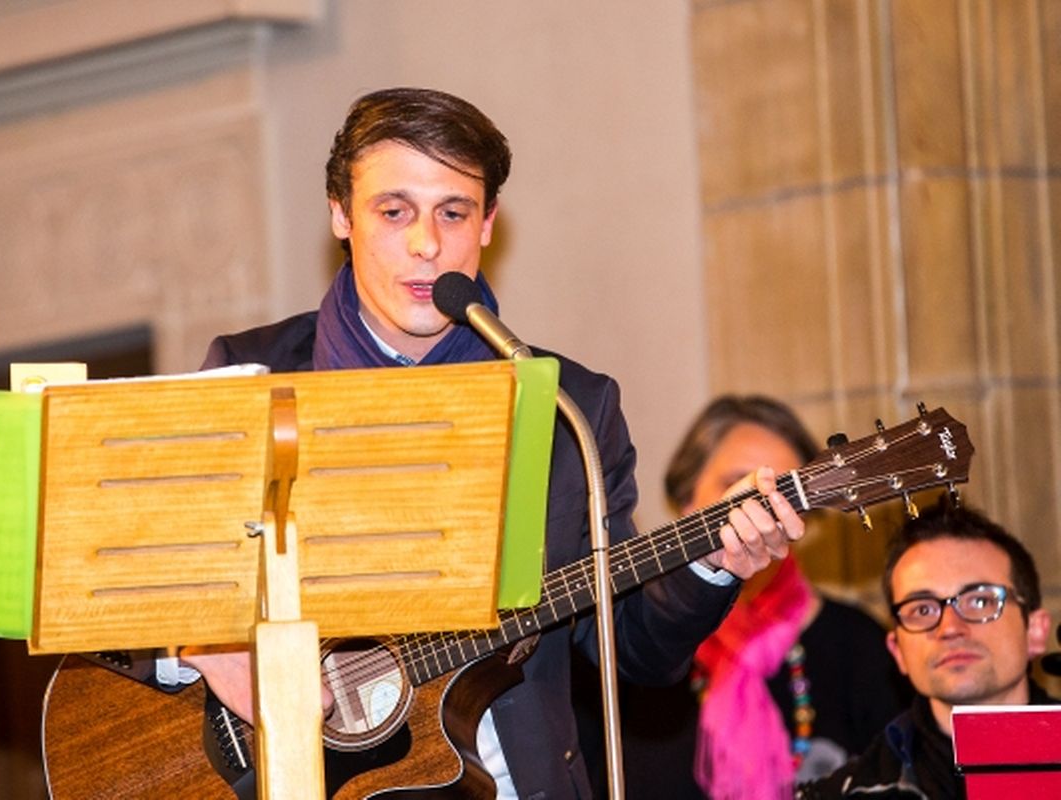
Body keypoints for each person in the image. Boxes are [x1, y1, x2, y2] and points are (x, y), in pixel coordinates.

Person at [182, 87, 805, 799]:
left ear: (487, 224)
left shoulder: (570, 408)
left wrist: (712, 566)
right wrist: (203, 647)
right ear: (340, 215)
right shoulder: (254, 376)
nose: (427, 244)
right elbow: (124, 589)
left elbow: (630, 649)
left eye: (453, 213)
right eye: (394, 211)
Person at [575, 395, 910, 799]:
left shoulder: (860, 646)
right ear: (687, 503)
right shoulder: (626, 640)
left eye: (784, 494)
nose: (760, 510)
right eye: (734, 485)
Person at [797, 500, 1057, 799]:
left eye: (979, 601)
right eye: (922, 609)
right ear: (897, 650)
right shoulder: (848, 792)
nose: (950, 628)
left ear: (1035, 630)